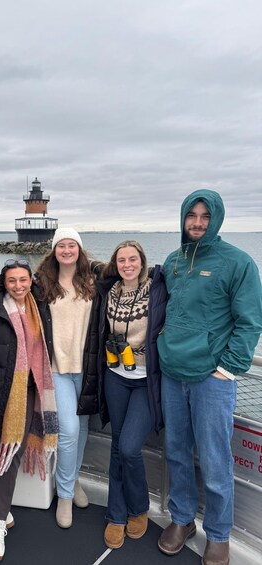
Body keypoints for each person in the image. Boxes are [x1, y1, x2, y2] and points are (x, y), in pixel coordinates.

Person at [156, 189, 262, 565]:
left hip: (212, 380)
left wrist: (228, 369)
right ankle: (182, 520)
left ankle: (218, 534)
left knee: (216, 460)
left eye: (204, 216)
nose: (197, 223)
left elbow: (250, 322)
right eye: (191, 216)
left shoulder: (238, 262)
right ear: (183, 218)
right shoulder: (172, 261)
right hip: (172, 373)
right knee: (177, 452)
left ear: (215, 218)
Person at [0, 259, 58, 561]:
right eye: (12, 281)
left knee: (10, 454)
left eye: (23, 279)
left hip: (28, 392)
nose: (19, 286)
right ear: (3, 283)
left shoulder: (38, 306)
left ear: (31, 280)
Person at [95, 240, 167, 549]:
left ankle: (139, 508)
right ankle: (116, 515)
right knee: (117, 447)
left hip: (145, 381)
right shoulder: (108, 291)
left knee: (128, 447)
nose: (127, 264)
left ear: (142, 261)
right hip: (116, 377)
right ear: (115, 263)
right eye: (121, 259)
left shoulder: (157, 289)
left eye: (132, 259)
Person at [35, 227, 100, 529]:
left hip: (86, 368)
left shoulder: (93, 281)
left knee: (83, 427)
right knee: (69, 429)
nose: (66, 250)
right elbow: (7, 288)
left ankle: (72, 482)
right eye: (61, 245)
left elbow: (130, 271)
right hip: (57, 368)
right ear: (54, 250)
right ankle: (64, 494)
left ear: (79, 249)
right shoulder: (42, 283)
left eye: (71, 245)